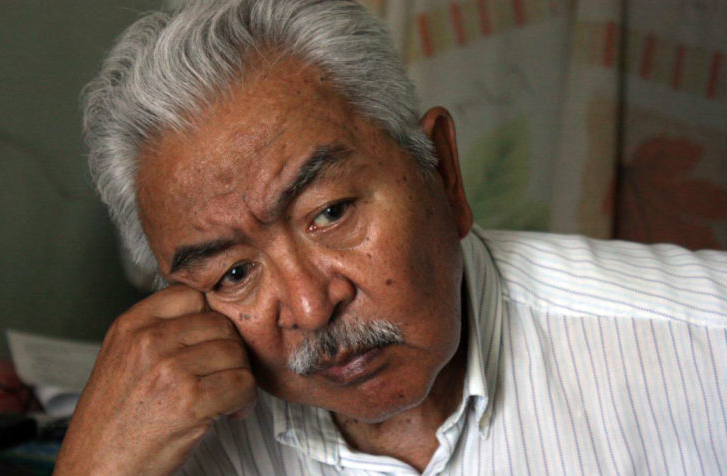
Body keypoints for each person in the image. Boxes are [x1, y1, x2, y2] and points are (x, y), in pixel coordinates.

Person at [55, 1, 727, 474]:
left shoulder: (703, 345)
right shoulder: (164, 447)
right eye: (234, 275)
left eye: (330, 212)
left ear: (444, 173)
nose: (311, 307)